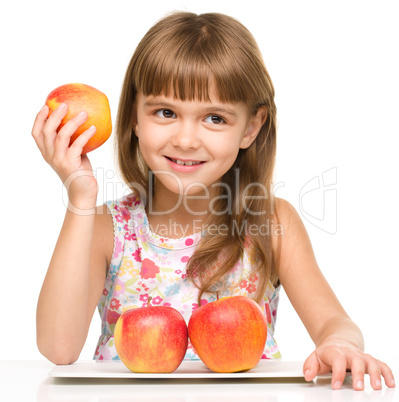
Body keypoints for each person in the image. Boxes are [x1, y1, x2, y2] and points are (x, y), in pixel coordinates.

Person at [32, 11, 395, 391]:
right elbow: (59, 347)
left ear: (251, 128)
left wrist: (339, 343)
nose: (186, 139)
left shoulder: (271, 222)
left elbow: (334, 323)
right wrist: (80, 197)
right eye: (166, 112)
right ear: (134, 118)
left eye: (215, 118)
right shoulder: (108, 227)